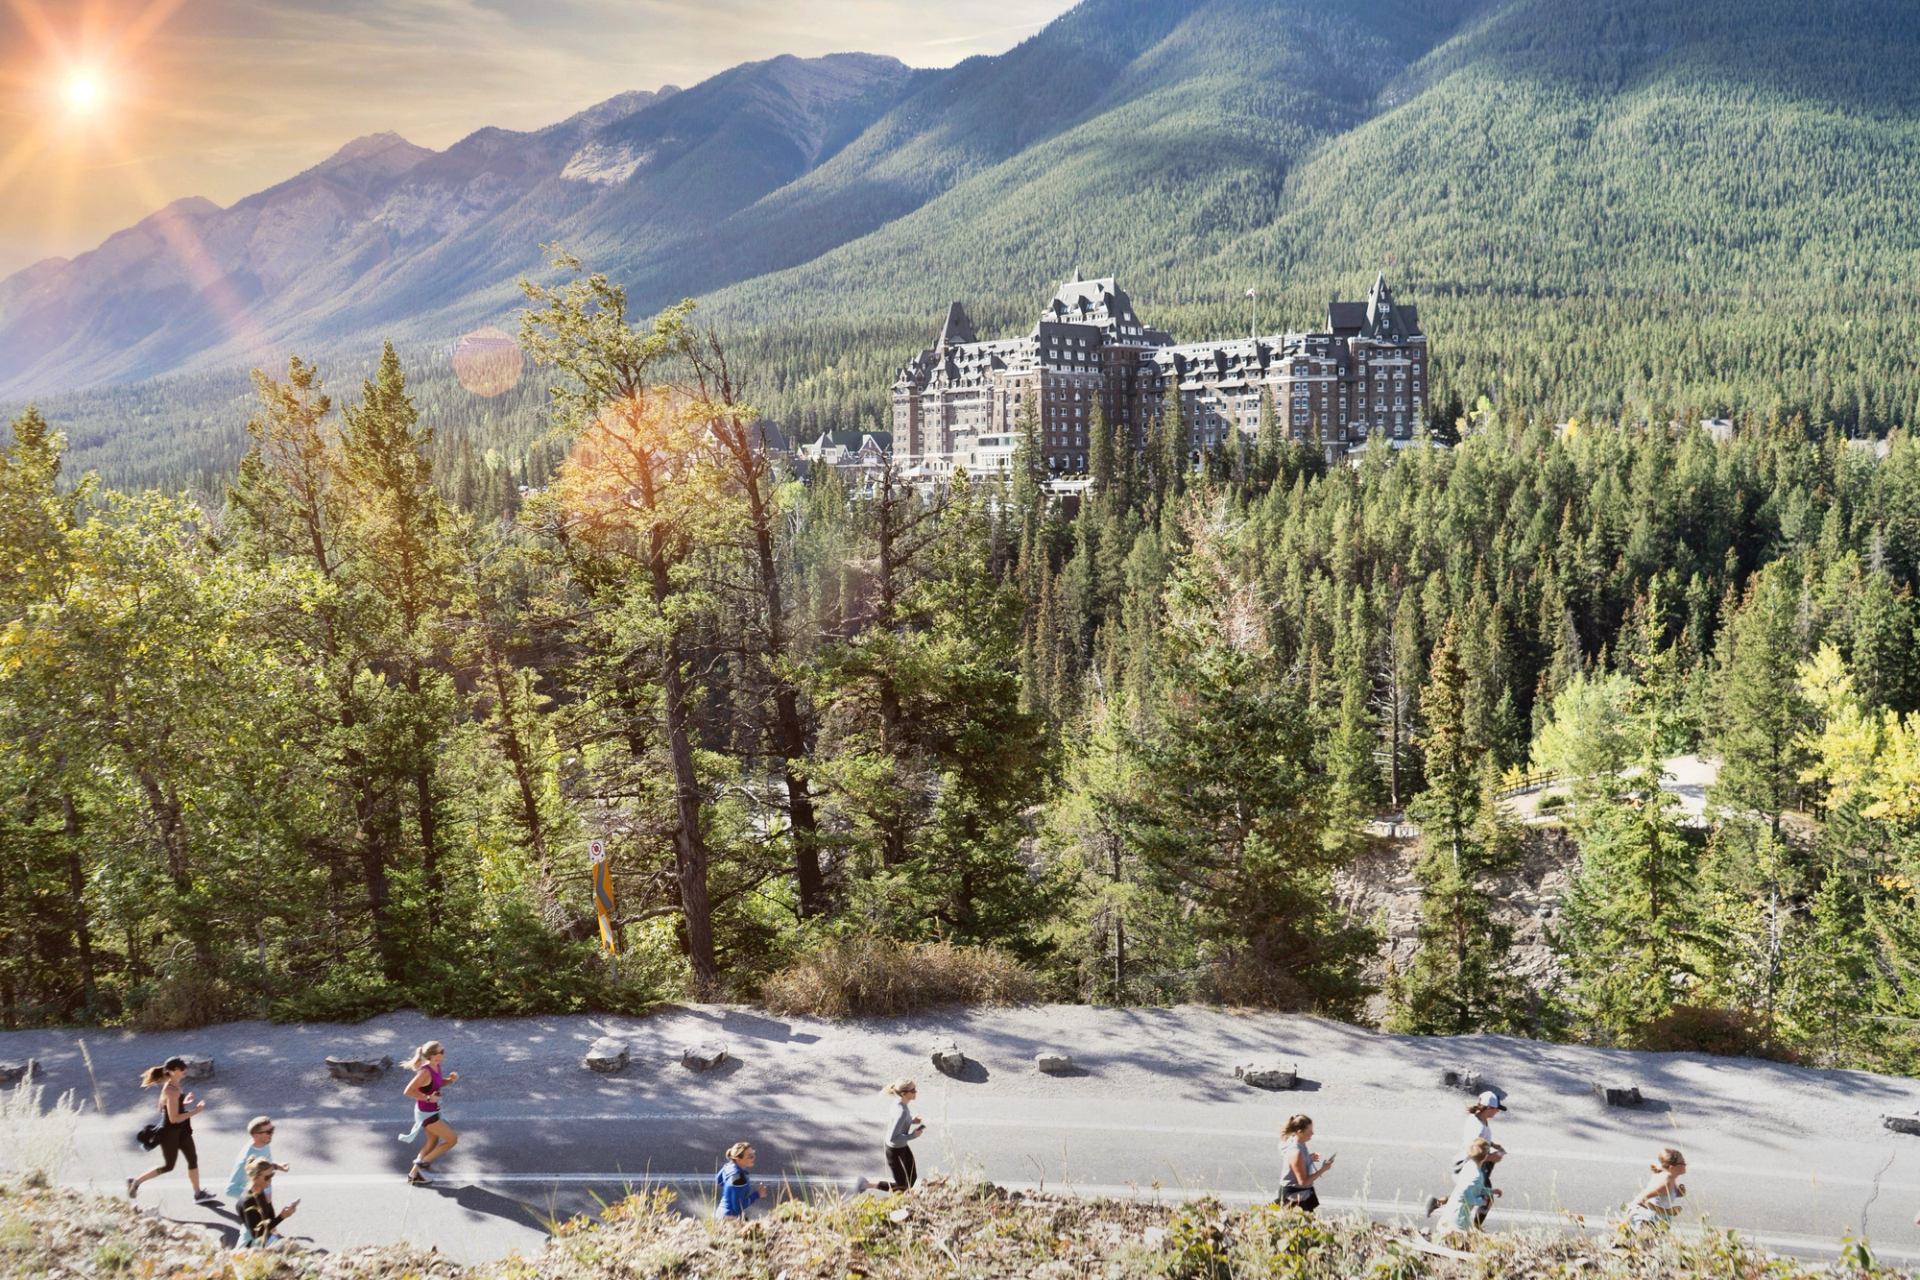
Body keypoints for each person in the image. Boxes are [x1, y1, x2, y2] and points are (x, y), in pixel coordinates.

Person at [128, 1057, 216, 1203]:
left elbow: (164, 1107)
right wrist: (195, 1111)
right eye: (181, 1069)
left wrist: (183, 1102)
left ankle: (198, 1193)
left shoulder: (175, 1085)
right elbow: (174, 1118)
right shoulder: (170, 1090)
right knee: (168, 1166)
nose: (184, 1070)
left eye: (184, 1068)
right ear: (172, 1071)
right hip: (170, 1133)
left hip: (182, 1130)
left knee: (192, 1159)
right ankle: (136, 1182)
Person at [1428, 1092, 1508, 1221]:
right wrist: (1491, 1157)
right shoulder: (1478, 1127)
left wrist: (1492, 1144)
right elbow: (1471, 1151)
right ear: (1489, 1108)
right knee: (1486, 1197)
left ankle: (1437, 1203)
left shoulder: (1477, 1118)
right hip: (1470, 1164)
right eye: (1496, 1108)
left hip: (1475, 1163)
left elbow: (1480, 1140)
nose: (1498, 1111)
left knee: (1469, 1192)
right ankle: (1476, 1227)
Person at [401, 1040, 459, 1185]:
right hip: (426, 1113)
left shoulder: (436, 1066)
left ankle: (414, 1175)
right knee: (452, 1140)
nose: (442, 1054)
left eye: (443, 1051)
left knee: (432, 1142)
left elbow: (437, 1083)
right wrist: (428, 1098)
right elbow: (408, 1091)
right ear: (431, 1055)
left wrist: (450, 1080)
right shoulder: (425, 1072)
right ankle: (422, 1164)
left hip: (432, 1110)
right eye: (440, 1052)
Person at [859, 1078, 925, 1192]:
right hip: (894, 1151)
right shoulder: (902, 1111)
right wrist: (913, 1135)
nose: (916, 1092)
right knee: (901, 1186)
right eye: (913, 1090)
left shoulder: (899, 1102)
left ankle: (905, 1196)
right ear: (904, 1093)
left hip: (902, 1146)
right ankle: (866, 1184)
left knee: (912, 1177)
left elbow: (899, 1121)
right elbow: (893, 1137)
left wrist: (912, 1120)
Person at [1437, 1137, 1502, 1234]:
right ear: (1485, 1156)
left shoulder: (1470, 1165)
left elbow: (1475, 1188)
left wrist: (1490, 1191)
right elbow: (1467, 1195)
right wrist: (1482, 1202)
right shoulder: (1476, 1175)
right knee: (1460, 1239)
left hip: (1453, 1211)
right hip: (1458, 1217)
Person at [1277, 1113, 1336, 1213]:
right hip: (1294, 1198)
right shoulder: (1296, 1152)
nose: (1313, 1133)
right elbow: (1303, 1182)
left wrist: (1308, 1158)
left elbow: (1296, 1162)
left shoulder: (1297, 1141)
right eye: (1310, 1130)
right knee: (1299, 1222)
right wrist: (1323, 1169)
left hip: (1298, 1194)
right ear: (1300, 1132)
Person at [236, 1157, 298, 1249]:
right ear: (255, 1177)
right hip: (249, 1246)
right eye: (267, 1177)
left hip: (264, 1239)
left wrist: (281, 1214)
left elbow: (268, 1215)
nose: (270, 1180)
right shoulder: (248, 1200)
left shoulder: (260, 1190)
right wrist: (281, 1217)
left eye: (272, 1175)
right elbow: (257, 1233)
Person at [226, 1115, 289, 1201]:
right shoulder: (246, 1159)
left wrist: (276, 1166)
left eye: (272, 1130)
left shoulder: (264, 1143)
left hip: (265, 1190)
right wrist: (257, 1198)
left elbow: (263, 1164)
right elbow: (231, 1190)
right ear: (256, 1135)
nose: (272, 1134)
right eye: (268, 1132)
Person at [1625, 1148, 1687, 1228]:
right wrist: (1669, 1211)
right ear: (1672, 1168)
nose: (1686, 1164)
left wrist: (1678, 1192)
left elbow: (1664, 1196)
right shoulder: (1666, 1183)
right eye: (1682, 1163)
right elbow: (1644, 1199)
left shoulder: (1670, 1176)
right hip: (1649, 1222)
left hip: (1657, 1220)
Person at [715, 1141, 762, 1219]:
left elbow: (718, 1180)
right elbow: (738, 1207)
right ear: (738, 1159)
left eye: (753, 1154)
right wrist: (757, 1194)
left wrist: (731, 1191)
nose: (754, 1158)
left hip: (719, 1214)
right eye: (750, 1156)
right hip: (729, 1219)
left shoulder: (728, 1166)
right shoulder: (739, 1179)